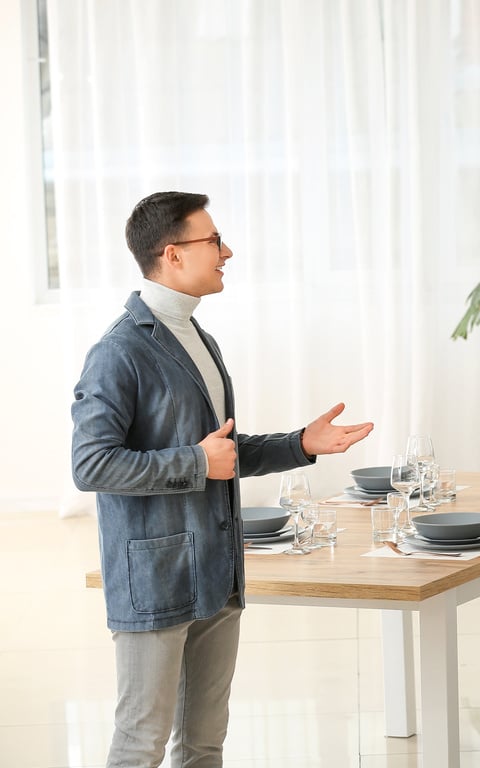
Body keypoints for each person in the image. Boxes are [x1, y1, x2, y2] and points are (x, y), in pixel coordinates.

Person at [71, 191, 374, 767]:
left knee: (205, 744)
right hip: (157, 579)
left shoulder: (197, 337)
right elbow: (91, 464)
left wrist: (300, 444)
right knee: (141, 744)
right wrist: (194, 462)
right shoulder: (118, 352)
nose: (226, 251)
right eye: (213, 241)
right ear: (173, 254)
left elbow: (221, 454)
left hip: (215, 571)